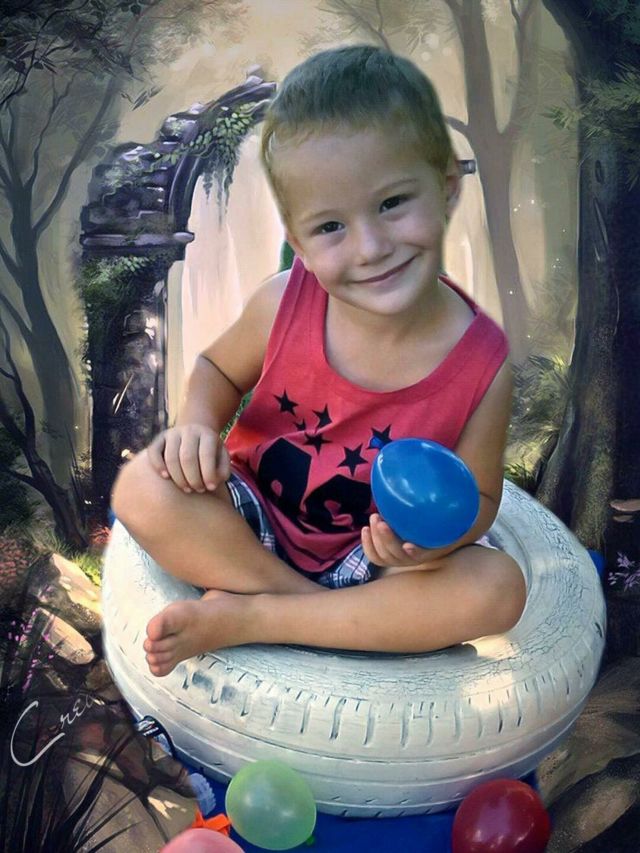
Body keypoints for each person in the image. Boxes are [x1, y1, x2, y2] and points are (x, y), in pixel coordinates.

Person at [111, 45, 526, 678]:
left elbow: (481, 496)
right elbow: (218, 371)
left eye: (392, 202)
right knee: (143, 486)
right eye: (330, 227)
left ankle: (257, 617)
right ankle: (315, 611)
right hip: (252, 520)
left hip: (377, 556)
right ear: (298, 240)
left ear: (446, 185)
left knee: (498, 588)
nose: (370, 247)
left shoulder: (484, 364)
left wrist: (429, 546)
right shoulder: (283, 302)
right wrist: (196, 423)